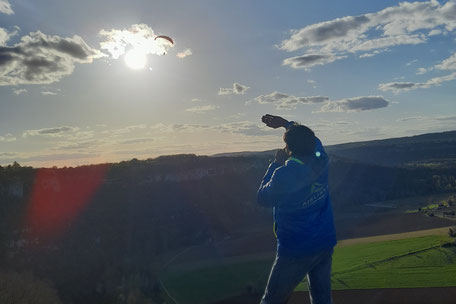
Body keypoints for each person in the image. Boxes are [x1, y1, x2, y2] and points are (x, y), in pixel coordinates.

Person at [257, 114, 337, 304]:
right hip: (324, 242)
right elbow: (314, 140)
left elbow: (262, 198)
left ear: (289, 149)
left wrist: (275, 163)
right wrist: (286, 124)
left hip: (295, 249)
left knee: (271, 300)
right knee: (322, 299)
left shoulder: (284, 174)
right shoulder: (321, 160)